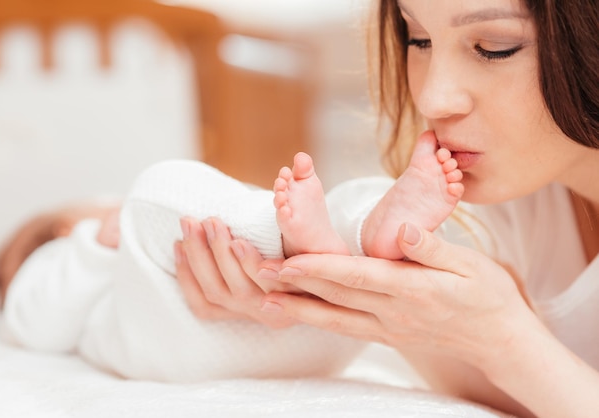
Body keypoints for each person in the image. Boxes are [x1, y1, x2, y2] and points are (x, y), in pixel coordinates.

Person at [171, 1, 599, 417]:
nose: (432, 98)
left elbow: (508, 352)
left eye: (494, 46)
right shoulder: (521, 191)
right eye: (419, 40)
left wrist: (506, 339)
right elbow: (514, 392)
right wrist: (329, 303)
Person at [0, 129, 463, 383]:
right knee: (154, 192)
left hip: (318, 336)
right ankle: (306, 237)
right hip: (177, 342)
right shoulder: (70, 252)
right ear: (59, 229)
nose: (104, 208)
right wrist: (91, 243)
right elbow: (30, 322)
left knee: (337, 212)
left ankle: (367, 236)